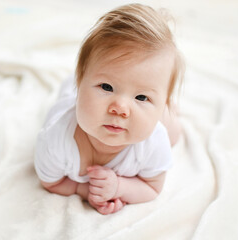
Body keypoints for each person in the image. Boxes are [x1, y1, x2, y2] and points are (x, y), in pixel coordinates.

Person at [34, 3, 184, 215]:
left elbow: (152, 187)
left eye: (141, 97)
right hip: (70, 97)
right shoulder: (55, 142)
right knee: (68, 92)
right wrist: (84, 189)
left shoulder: (153, 143)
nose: (120, 109)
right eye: (106, 87)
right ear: (81, 81)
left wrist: (120, 187)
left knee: (173, 133)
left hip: (156, 118)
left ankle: (168, 109)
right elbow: (51, 182)